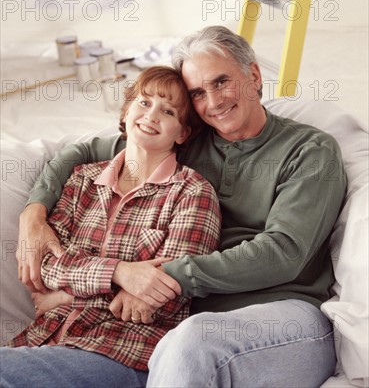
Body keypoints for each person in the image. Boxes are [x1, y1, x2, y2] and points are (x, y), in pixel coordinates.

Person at [16, 26, 346, 387]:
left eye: (222, 82)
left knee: (191, 344)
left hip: (285, 316)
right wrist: (33, 212)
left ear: (253, 75)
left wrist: (163, 277)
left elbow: (283, 253)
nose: (214, 102)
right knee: (184, 341)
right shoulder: (188, 140)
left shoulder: (309, 150)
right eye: (199, 93)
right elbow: (78, 152)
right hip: (188, 321)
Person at [1, 66, 221, 388]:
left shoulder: (193, 193)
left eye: (168, 110)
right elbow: (47, 267)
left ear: (183, 132)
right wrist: (121, 273)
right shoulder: (81, 180)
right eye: (144, 102)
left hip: (121, 352)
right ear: (127, 110)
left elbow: (163, 295)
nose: (152, 115)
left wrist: (65, 296)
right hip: (43, 340)